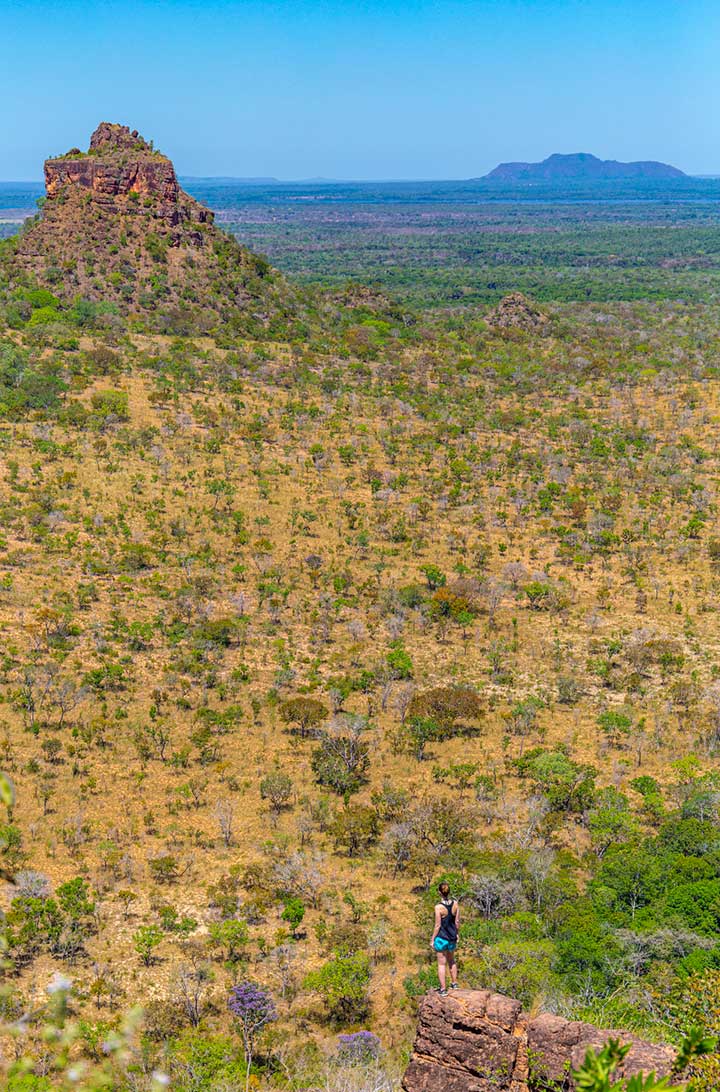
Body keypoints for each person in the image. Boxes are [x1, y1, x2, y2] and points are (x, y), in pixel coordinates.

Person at [430, 881, 459, 995]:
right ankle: (454, 984)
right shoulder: (456, 904)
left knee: (441, 964)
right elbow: (457, 922)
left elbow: (437, 925)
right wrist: (457, 934)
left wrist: (432, 939)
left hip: (441, 938)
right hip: (452, 937)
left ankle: (443, 989)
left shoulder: (438, 907)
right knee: (452, 960)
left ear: (439, 892)